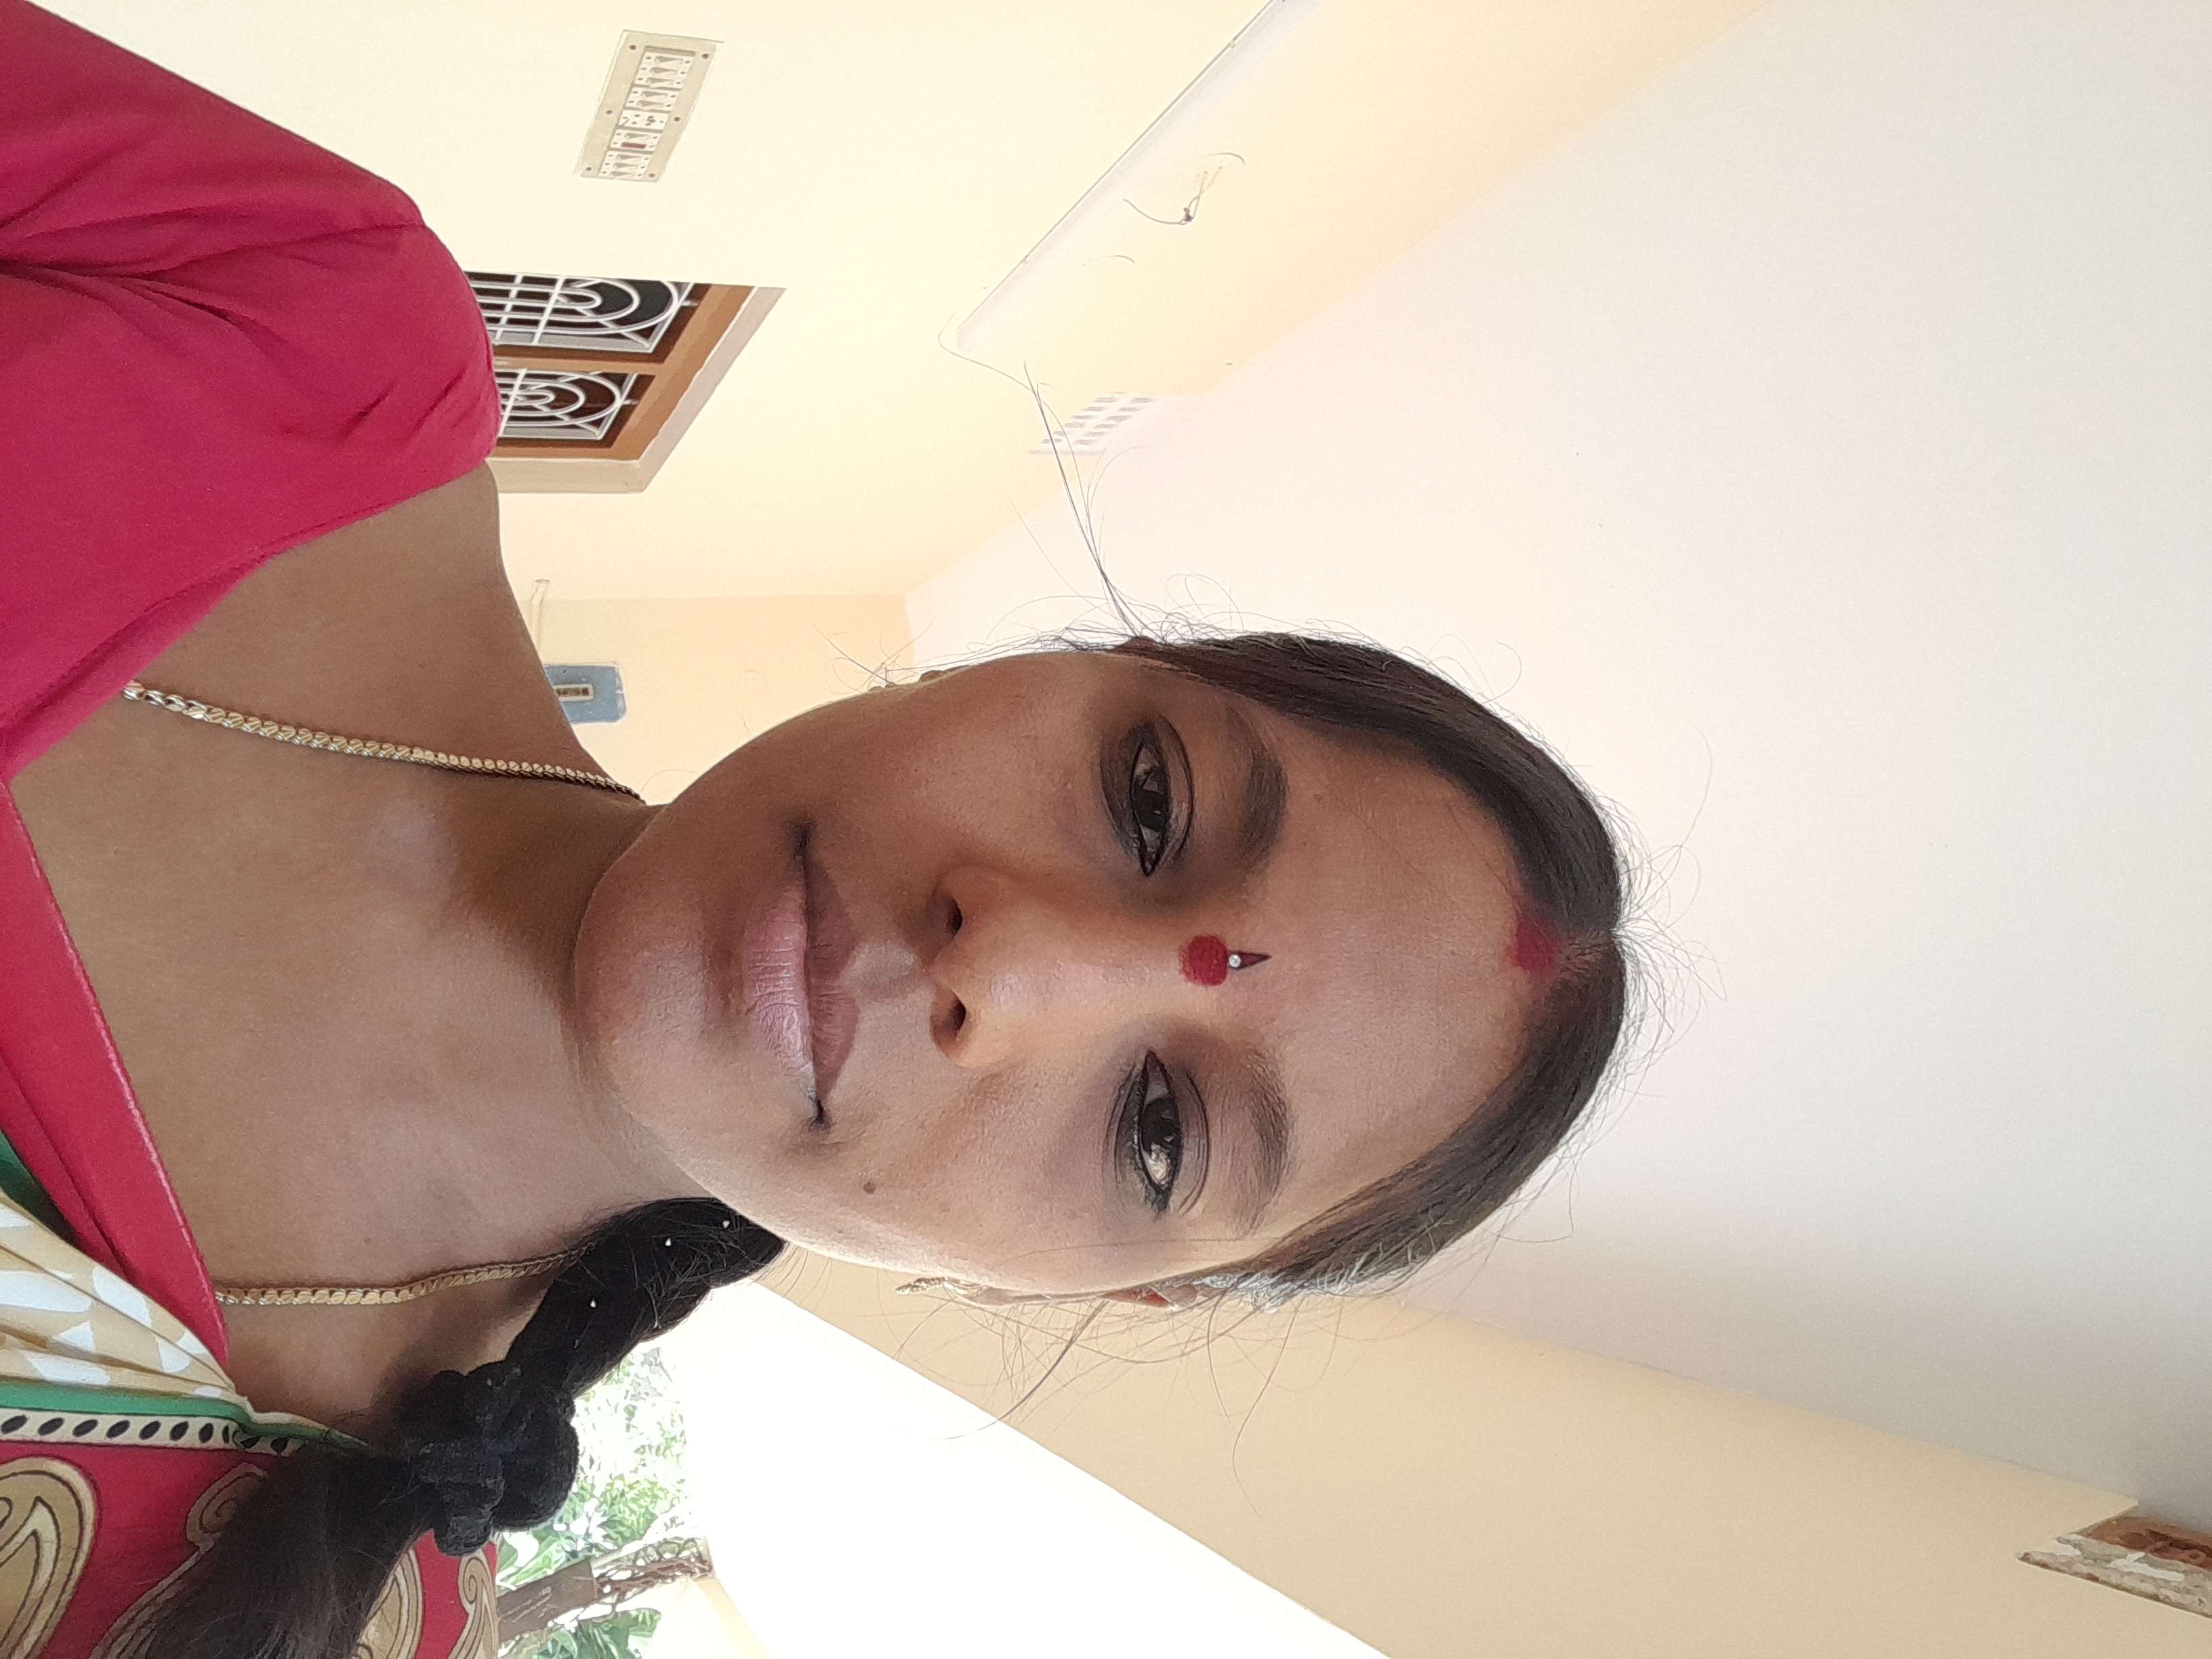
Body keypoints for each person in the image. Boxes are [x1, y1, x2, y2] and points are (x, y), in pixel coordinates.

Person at [0, 4, 1635, 1654]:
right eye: (1149, 800)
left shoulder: (289, 1613)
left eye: (1158, 1129)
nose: (1009, 967)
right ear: (1058, 662)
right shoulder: (308, 320)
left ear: (1078, 1290)